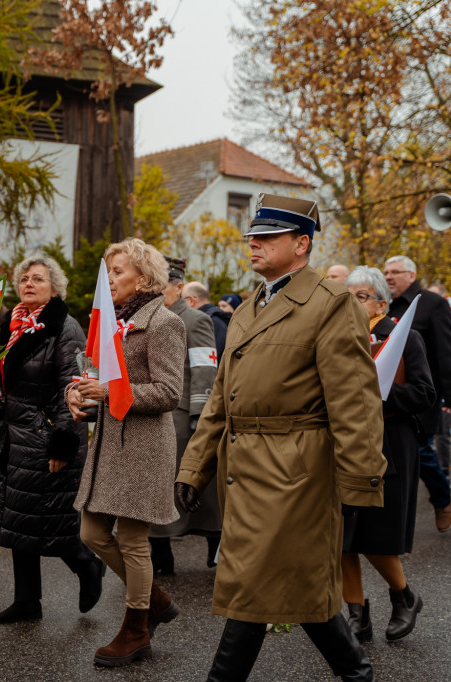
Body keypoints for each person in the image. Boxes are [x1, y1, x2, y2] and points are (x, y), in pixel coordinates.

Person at [176, 194, 385, 682]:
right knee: (292, 587)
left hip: (297, 471)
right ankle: (356, 672)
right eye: (252, 237)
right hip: (246, 471)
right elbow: (222, 402)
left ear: (301, 244)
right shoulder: (252, 305)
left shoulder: (331, 304)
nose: (253, 244)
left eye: (266, 237)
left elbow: (355, 403)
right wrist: (194, 468)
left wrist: (359, 484)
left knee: (255, 586)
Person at [66, 237, 185, 668]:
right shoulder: (110, 319)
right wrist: (77, 392)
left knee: (134, 541)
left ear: (144, 276)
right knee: (91, 534)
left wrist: (111, 390)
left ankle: (136, 629)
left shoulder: (163, 321)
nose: (110, 278)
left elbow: (170, 392)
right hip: (109, 445)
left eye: (118, 271)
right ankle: (155, 601)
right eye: (109, 270)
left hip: (143, 446)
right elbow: (93, 374)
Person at [0, 255, 103, 625]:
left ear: (54, 287)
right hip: (15, 433)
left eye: (38, 278)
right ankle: (27, 602)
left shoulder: (65, 328)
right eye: (24, 278)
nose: (29, 283)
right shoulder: (11, 325)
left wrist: (64, 442)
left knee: (52, 520)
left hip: (48, 433)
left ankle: (87, 565)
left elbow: (75, 387)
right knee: (19, 519)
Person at [341, 267, 435, 643]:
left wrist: (378, 397)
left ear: (382, 302)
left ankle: (403, 597)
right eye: (347, 296)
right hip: (342, 444)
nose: (353, 302)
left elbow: (424, 394)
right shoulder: (338, 338)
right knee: (341, 535)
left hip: (389, 444)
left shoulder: (403, 337)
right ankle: (356, 614)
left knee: (376, 533)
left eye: (361, 296)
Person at [385, 255, 451, 532]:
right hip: (390, 394)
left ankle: (442, 499)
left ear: (411, 274)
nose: (389, 277)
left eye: (395, 272)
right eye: (386, 272)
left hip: (423, 393)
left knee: (421, 450)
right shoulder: (385, 305)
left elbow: (447, 350)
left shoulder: (431, 304)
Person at [150, 257, 221, 572]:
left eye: (163, 283)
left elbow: (205, 369)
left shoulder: (194, 320)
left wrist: (199, 417)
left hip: (183, 418)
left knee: (201, 493)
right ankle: (160, 555)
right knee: (158, 492)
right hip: (154, 417)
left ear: (179, 287)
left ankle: (216, 547)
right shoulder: (148, 317)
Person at [184, 280, 230, 359]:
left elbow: (206, 359)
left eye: (182, 300)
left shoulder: (208, 323)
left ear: (191, 300)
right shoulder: (215, 320)